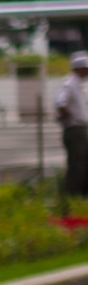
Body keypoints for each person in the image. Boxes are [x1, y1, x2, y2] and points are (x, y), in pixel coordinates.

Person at [55, 51, 88, 198]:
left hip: (81, 128)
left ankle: (81, 195)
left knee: (83, 163)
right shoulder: (69, 84)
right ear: (79, 68)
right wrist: (68, 119)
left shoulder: (80, 84)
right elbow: (60, 103)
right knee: (77, 165)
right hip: (75, 129)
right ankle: (71, 195)